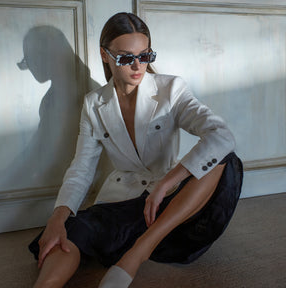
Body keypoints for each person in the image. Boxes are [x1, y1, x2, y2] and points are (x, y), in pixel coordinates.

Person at [29, 12, 243, 288]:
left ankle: (136, 255)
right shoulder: (93, 104)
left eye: (145, 56)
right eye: (126, 57)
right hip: (125, 202)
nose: (137, 65)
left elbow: (221, 135)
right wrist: (58, 216)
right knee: (70, 231)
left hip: (173, 206)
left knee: (225, 160)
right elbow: (82, 167)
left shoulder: (171, 89)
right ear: (105, 56)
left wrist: (167, 182)